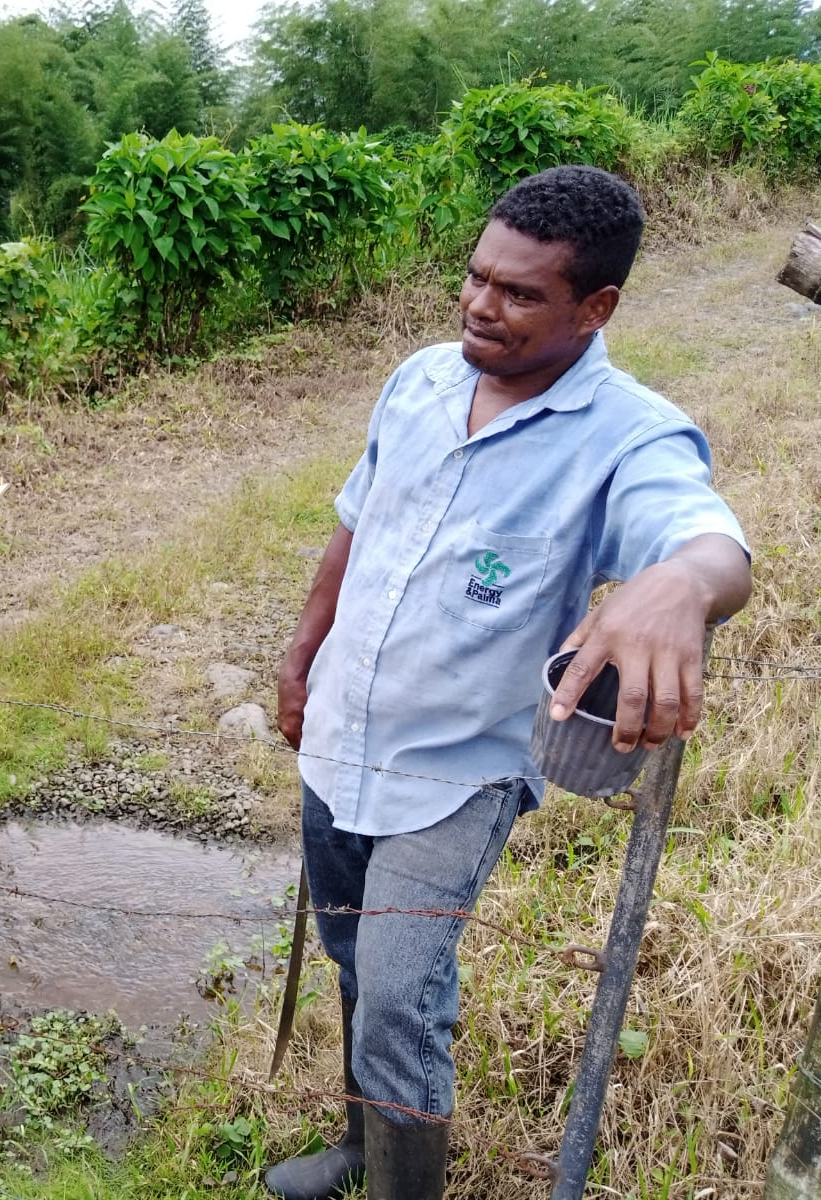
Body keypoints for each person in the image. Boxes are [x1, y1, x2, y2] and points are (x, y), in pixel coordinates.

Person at [267, 166, 751, 1200]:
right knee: (351, 956)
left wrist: (679, 582)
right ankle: (358, 1147)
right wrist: (303, 656)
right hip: (342, 737)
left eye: (521, 292)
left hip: (458, 774)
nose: (482, 305)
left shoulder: (628, 434)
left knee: (399, 996)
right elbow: (356, 523)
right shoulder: (419, 382)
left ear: (595, 307)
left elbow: (704, 539)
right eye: (477, 276)